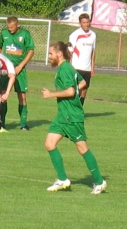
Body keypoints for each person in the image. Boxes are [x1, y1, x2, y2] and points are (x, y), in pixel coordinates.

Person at [42, 41, 107, 194]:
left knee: (82, 148)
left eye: (51, 54)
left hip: (72, 115)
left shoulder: (65, 69)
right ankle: (63, 180)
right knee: (49, 144)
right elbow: (83, 82)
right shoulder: (68, 68)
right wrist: (75, 91)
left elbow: (70, 92)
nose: (49, 56)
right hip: (63, 115)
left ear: (59, 54)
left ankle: (99, 181)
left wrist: (52, 94)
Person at [0, 16, 35, 130]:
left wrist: (21, 66)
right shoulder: (3, 33)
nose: (10, 29)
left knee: (22, 96)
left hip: (19, 70)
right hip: (5, 69)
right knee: (3, 95)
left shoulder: (25, 34)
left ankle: (23, 124)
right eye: (8, 27)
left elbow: (31, 51)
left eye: (12, 27)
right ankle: (1, 123)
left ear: (18, 25)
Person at [68, 13, 96, 106]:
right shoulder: (74, 35)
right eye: (84, 22)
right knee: (76, 89)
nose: (86, 24)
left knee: (84, 89)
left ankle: (79, 110)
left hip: (87, 68)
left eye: (88, 22)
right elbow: (70, 52)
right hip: (76, 67)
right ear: (80, 23)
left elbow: (93, 52)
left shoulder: (93, 35)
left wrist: (92, 68)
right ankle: (72, 109)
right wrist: (69, 68)